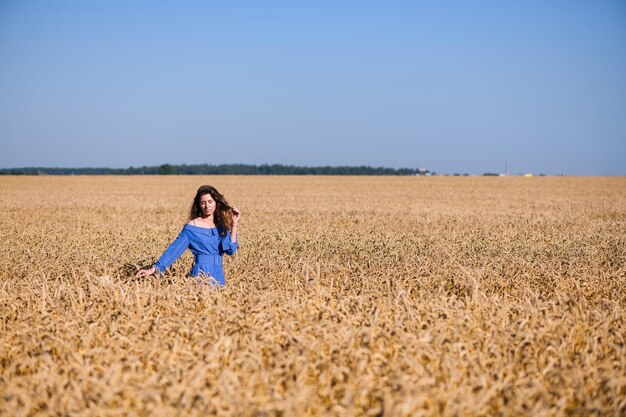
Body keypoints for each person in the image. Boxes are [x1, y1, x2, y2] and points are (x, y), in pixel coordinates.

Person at [135, 185, 240, 286]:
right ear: (199, 205)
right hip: (201, 273)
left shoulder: (222, 226)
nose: (207, 206)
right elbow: (174, 250)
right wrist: (152, 270)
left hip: (219, 274)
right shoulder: (192, 226)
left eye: (210, 202)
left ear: (216, 202)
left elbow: (231, 250)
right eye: (203, 203)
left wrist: (233, 225)